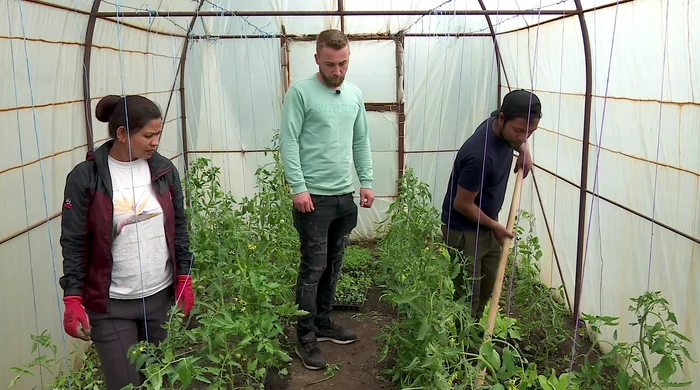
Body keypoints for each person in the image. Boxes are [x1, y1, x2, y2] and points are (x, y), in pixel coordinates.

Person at [58, 94, 195, 390]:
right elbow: (74, 241)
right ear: (122, 134)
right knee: (125, 383)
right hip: (111, 304)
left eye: (159, 133)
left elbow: (179, 227)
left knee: (162, 380)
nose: (156, 141)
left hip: (159, 299)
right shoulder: (86, 177)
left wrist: (184, 275)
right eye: (148, 135)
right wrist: (73, 297)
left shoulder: (163, 171)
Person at [279, 29, 374, 370]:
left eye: (343, 63)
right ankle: (305, 334)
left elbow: (360, 140)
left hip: (344, 197)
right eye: (331, 64)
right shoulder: (301, 92)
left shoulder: (354, 95)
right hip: (313, 199)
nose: (338, 71)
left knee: (334, 266)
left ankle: (323, 322)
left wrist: (366, 181)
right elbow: (289, 142)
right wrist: (298, 187)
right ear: (317, 58)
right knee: (313, 268)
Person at [441, 89, 539, 323]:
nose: (523, 137)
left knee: (487, 288)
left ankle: (475, 336)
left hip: (486, 225)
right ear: (502, 120)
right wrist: (495, 225)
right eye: (518, 131)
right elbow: (463, 204)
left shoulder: (502, 125)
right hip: (464, 231)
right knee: (467, 296)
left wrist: (523, 150)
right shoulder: (480, 155)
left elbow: (519, 137)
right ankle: (461, 352)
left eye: (530, 132)